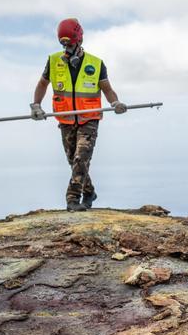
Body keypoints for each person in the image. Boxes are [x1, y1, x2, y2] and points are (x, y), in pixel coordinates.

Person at [30, 18, 127, 212]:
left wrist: (115, 103)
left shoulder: (96, 64)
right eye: (63, 43)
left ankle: (72, 199)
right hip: (66, 119)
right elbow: (42, 84)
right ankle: (89, 191)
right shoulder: (54, 60)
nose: (67, 47)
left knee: (80, 159)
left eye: (70, 43)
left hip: (89, 118)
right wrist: (36, 105)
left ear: (79, 40)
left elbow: (107, 89)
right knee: (73, 160)